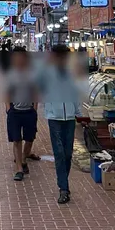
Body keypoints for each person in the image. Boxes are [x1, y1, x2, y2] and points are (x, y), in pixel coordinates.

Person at [37, 45, 85, 204]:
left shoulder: (71, 72)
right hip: (54, 117)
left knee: (68, 153)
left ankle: (63, 182)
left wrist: (79, 113)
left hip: (69, 117)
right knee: (59, 152)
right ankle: (63, 188)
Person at [5, 47, 38, 181]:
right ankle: (19, 169)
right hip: (15, 112)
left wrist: (35, 108)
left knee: (30, 139)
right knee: (16, 140)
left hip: (29, 111)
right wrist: (8, 108)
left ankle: (24, 158)